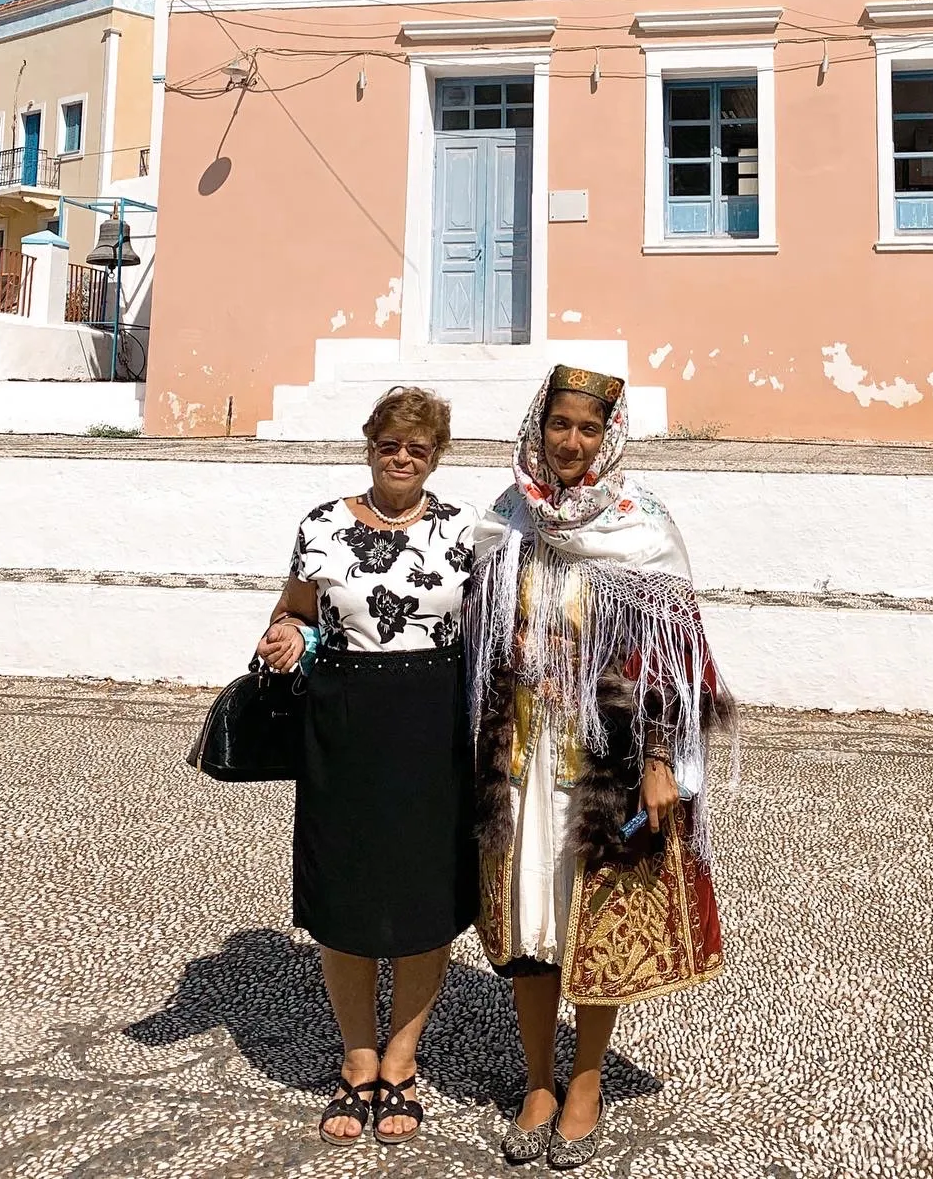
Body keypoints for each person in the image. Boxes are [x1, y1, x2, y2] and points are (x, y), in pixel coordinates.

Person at [469, 366, 736, 1170]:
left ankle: (585, 1084)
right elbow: (472, 636)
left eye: (589, 429)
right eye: (560, 426)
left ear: (609, 434)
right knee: (527, 923)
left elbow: (671, 654)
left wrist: (661, 759)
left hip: (605, 760)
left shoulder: (639, 525)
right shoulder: (506, 515)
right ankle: (539, 1082)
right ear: (538, 426)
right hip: (519, 754)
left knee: (596, 926)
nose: (572, 442)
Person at [256, 385, 477, 1148]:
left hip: (434, 720)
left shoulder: (461, 531)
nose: (402, 456)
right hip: (344, 720)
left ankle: (403, 1059)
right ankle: (357, 1060)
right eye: (390, 443)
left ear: (436, 454)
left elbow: (486, 632)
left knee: (425, 899)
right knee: (345, 896)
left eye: (418, 446)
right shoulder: (320, 524)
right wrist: (286, 636)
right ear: (369, 443)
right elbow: (293, 610)